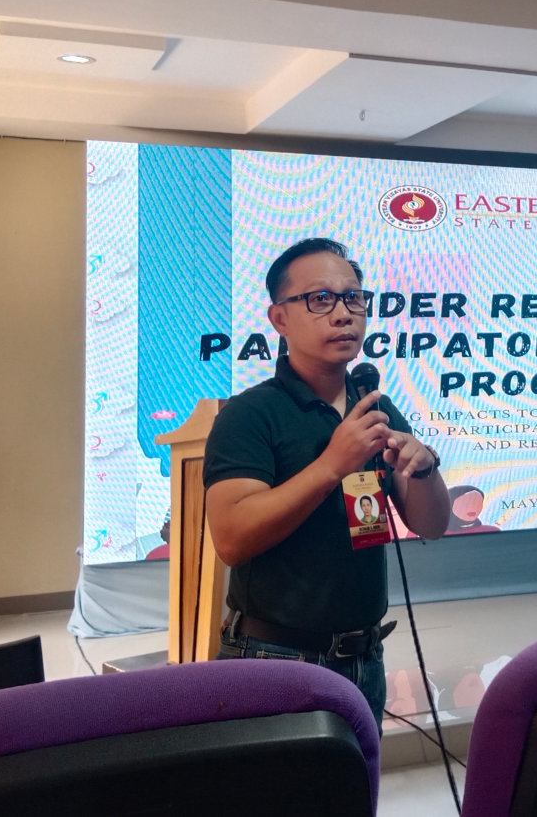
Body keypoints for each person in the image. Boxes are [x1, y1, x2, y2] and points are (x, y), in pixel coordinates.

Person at [203, 238, 449, 728]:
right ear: (279, 319)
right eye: (321, 299)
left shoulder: (373, 406)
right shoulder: (250, 414)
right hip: (275, 658)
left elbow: (433, 524)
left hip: (365, 657)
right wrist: (331, 465)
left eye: (353, 298)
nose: (343, 314)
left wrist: (423, 469)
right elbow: (231, 539)